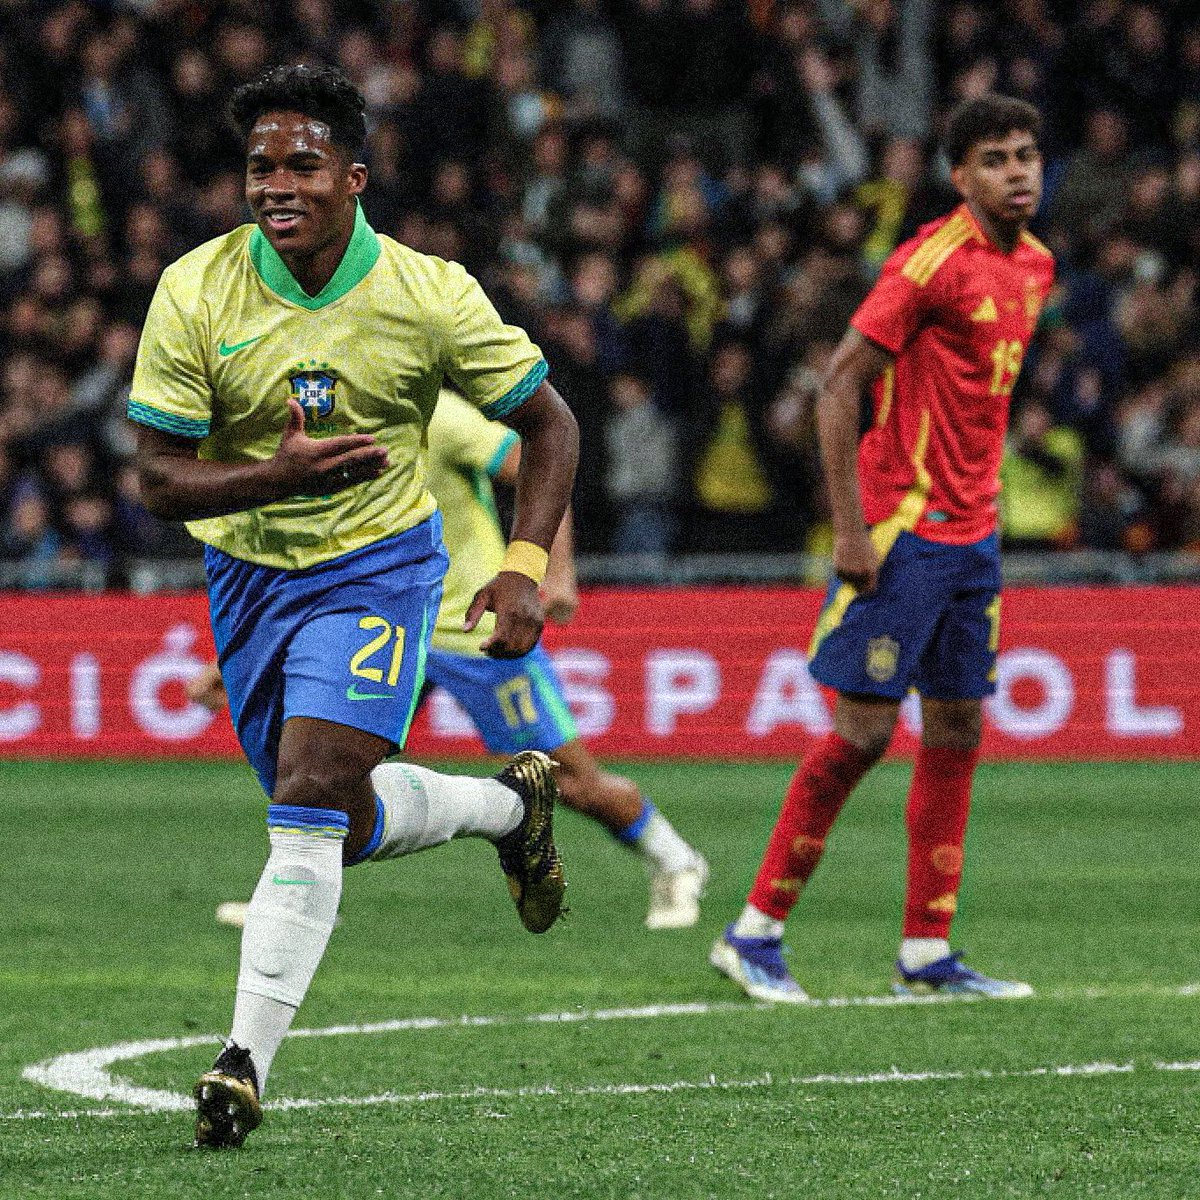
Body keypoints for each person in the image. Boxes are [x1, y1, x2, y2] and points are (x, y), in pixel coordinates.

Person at [129, 64, 579, 1149]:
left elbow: (551, 425)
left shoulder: (429, 293)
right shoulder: (197, 289)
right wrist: (272, 480)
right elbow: (155, 478)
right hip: (244, 576)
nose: (277, 185)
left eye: (303, 164)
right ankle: (509, 811)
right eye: (259, 167)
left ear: (355, 177)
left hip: (379, 567)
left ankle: (241, 1063)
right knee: (338, 818)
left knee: (314, 786)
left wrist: (521, 563)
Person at [710, 94, 1055, 1003]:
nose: (1018, 171)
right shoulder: (927, 264)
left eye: (1027, 155)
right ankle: (754, 934)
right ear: (959, 176)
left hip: (975, 536)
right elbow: (838, 386)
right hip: (903, 532)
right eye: (996, 158)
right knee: (862, 734)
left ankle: (926, 955)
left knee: (958, 730)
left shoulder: (1037, 267)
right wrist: (853, 526)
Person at [190, 388, 709, 930]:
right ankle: (296, 894)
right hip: (385, 621)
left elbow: (534, 463)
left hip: (474, 630)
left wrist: (551, 574)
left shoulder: (440, 415)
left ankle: (676, 861)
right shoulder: (322, 425)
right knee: (321, 764)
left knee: (571, 783)